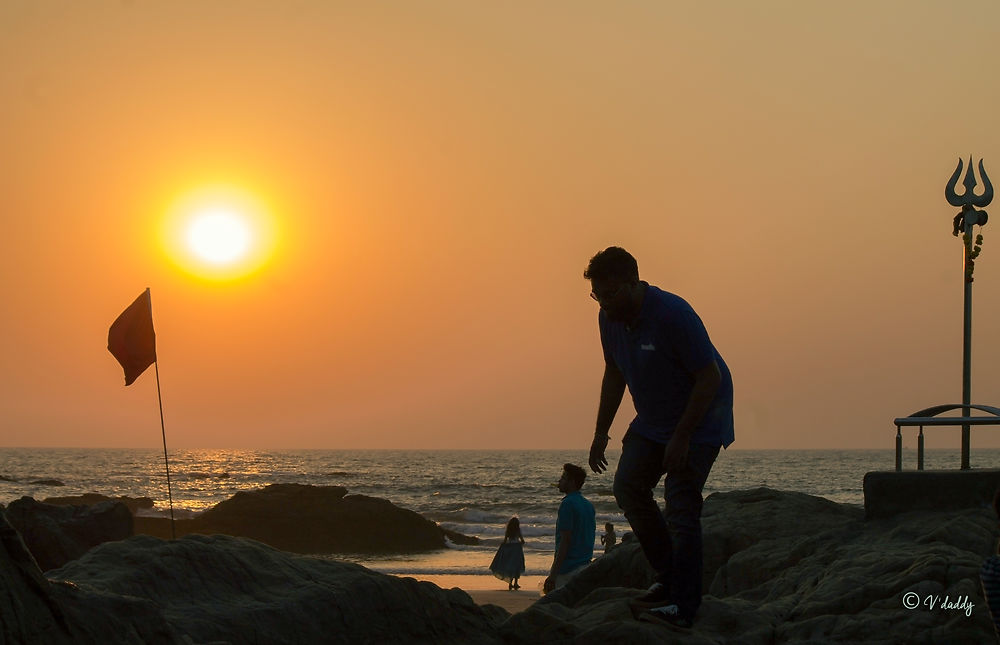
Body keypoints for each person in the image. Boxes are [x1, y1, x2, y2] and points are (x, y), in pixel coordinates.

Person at [583, 246, 734, 630]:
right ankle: (669, 579)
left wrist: (683, 437)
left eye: (610, 293)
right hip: (652, 420)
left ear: (634, 282)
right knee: (629, 488)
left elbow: (710, 377)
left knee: (681, 504)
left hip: (700, 418)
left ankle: (684, 606)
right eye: (596, 295)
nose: (602, 303)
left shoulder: (673, 314)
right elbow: (614, 372)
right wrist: (601, 430)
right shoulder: (608, 317)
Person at [543, 463, 596, 594]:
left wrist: (553, 575)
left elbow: (565, 541)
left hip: (567, 570)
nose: (559, 481)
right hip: (584, 566)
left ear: (571, 482)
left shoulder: (567, 504)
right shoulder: (588, 505)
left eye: (563, 478)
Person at [489, 517, 526, 591]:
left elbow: (505, 541)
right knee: (517, 566)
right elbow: (522, 540)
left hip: (510, 549)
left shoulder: (508, 531)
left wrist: (502, 548)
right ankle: (515, 583)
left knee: (511, 566)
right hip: (517, 549)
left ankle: (510, 584)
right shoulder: (518, 530)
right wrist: (521, 543)